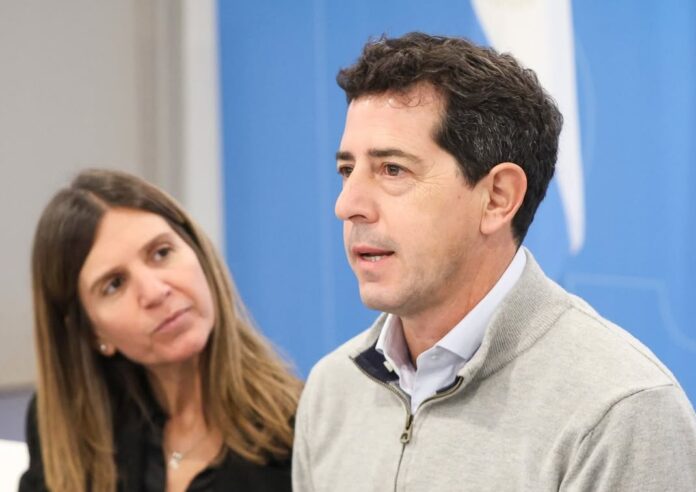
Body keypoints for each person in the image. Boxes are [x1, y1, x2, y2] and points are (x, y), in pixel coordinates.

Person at [292, 32, 696, 491]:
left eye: (393, 169)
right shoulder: (331, 391)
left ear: (498, 198)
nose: (347, 205)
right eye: (347, 170)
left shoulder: (619, 411)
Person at [20, 169, 301, 492]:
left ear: (197, 251)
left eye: (161, 253)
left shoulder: (299, 429)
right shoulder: (64, 426)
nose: (155, 292)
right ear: (92, 334)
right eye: (115, 284)